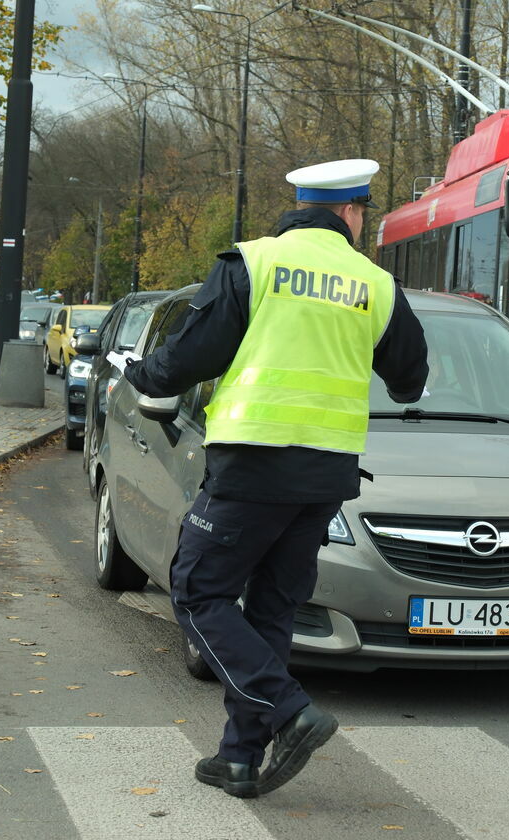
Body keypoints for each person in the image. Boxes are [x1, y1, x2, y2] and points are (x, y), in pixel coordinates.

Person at [123, 158, 428, 798]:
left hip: (254, 464)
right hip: (325, 477)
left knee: (196, 591)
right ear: (351, 212)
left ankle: (289, 710)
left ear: (301, 206)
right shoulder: (375, 283)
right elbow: (410, 378)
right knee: (272, 609)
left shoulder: (255, 263)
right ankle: (239, 757)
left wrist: (145, 377)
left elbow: (193, 351)